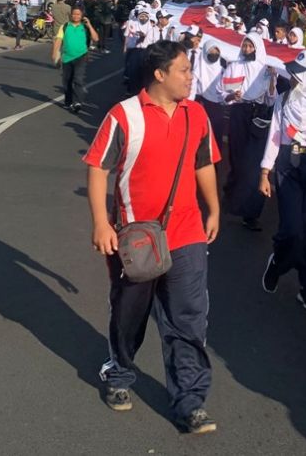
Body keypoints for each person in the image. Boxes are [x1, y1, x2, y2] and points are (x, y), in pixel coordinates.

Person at [83, 41, 221, 434]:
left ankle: (190, 401)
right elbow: (98, 168)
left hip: (187, 232)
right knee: (130, 315)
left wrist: (213, 208)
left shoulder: (197, 114)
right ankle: (119, 373)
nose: (191, 77)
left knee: (188, 318)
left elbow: (204, 163)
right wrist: (101, 223)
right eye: (184, 70)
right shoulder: (124, 115)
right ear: (160, 74)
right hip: (136, 237)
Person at [258, 51, 306, 311]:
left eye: (297, 73)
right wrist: (265, 172)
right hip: (289, 163)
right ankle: (278, 263)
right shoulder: (285, 98)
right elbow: (275, 136)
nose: (291, 77)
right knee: (291, 228)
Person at [223, 34, 276, 231]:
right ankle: (231, 199)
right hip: (239, 113)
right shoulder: (234, 66)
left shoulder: (266, 69)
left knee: (254, 164)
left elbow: (271, 98)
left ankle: (251, 213)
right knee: (237, 159)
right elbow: (224, 93)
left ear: (257, 48)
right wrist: (231, 95)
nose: (246, 49)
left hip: (258, 116)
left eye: (250, 46)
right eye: (244, 45)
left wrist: (272, 79)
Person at [52, 6, 99, 112]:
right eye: (74, 14)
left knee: (78, 79)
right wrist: (55, 54)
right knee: (67, 81)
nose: (76, 16)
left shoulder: (85, 27)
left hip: (81, 57)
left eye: (78, 14)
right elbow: (58, 40)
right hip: (67, 58)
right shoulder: (65, 26)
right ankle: (68, 102)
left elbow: (96, 38)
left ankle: (77, 102)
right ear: (71, 15)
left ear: (82, 16)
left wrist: (89, 25)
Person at [122, 6, 157, 95]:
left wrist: (144, 37)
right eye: (141, 16)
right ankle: (130, 89)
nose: (143, 18)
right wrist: (125, 47)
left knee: (143, 71)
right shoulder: (132, 24)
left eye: (145, 16)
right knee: (132, 70)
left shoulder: (152, 27)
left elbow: (153, 40)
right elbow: (126, 36)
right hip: (134, 50)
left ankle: (142, 91)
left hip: (146, 51)